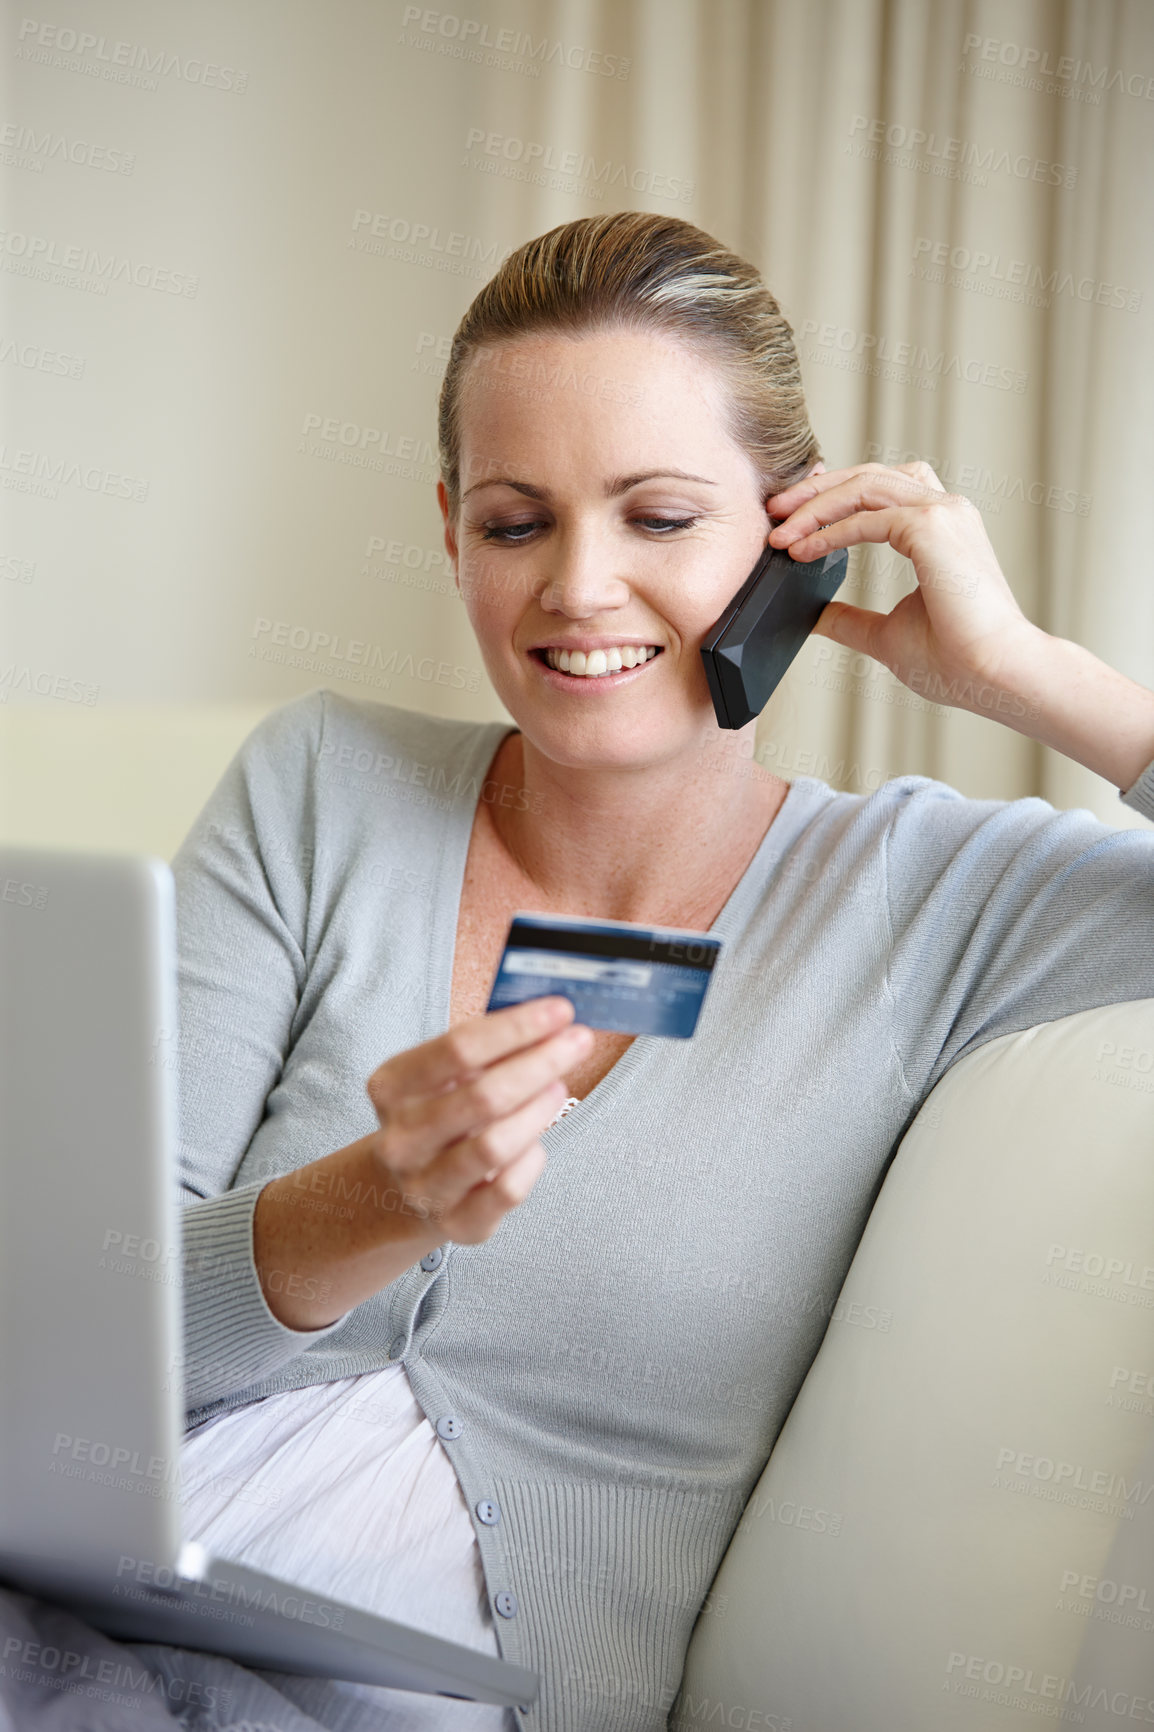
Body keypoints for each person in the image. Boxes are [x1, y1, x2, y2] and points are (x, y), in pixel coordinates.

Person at [5, 210, 1154, 1732]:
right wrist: (375, 1200)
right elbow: (69, 1341)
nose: (578, 588)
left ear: (790, 537)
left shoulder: (938, 898)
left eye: (660, 518)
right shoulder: (324, 784)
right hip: (69, 1620)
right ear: (449, 531)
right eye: (514, 520)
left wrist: (1025, 673)